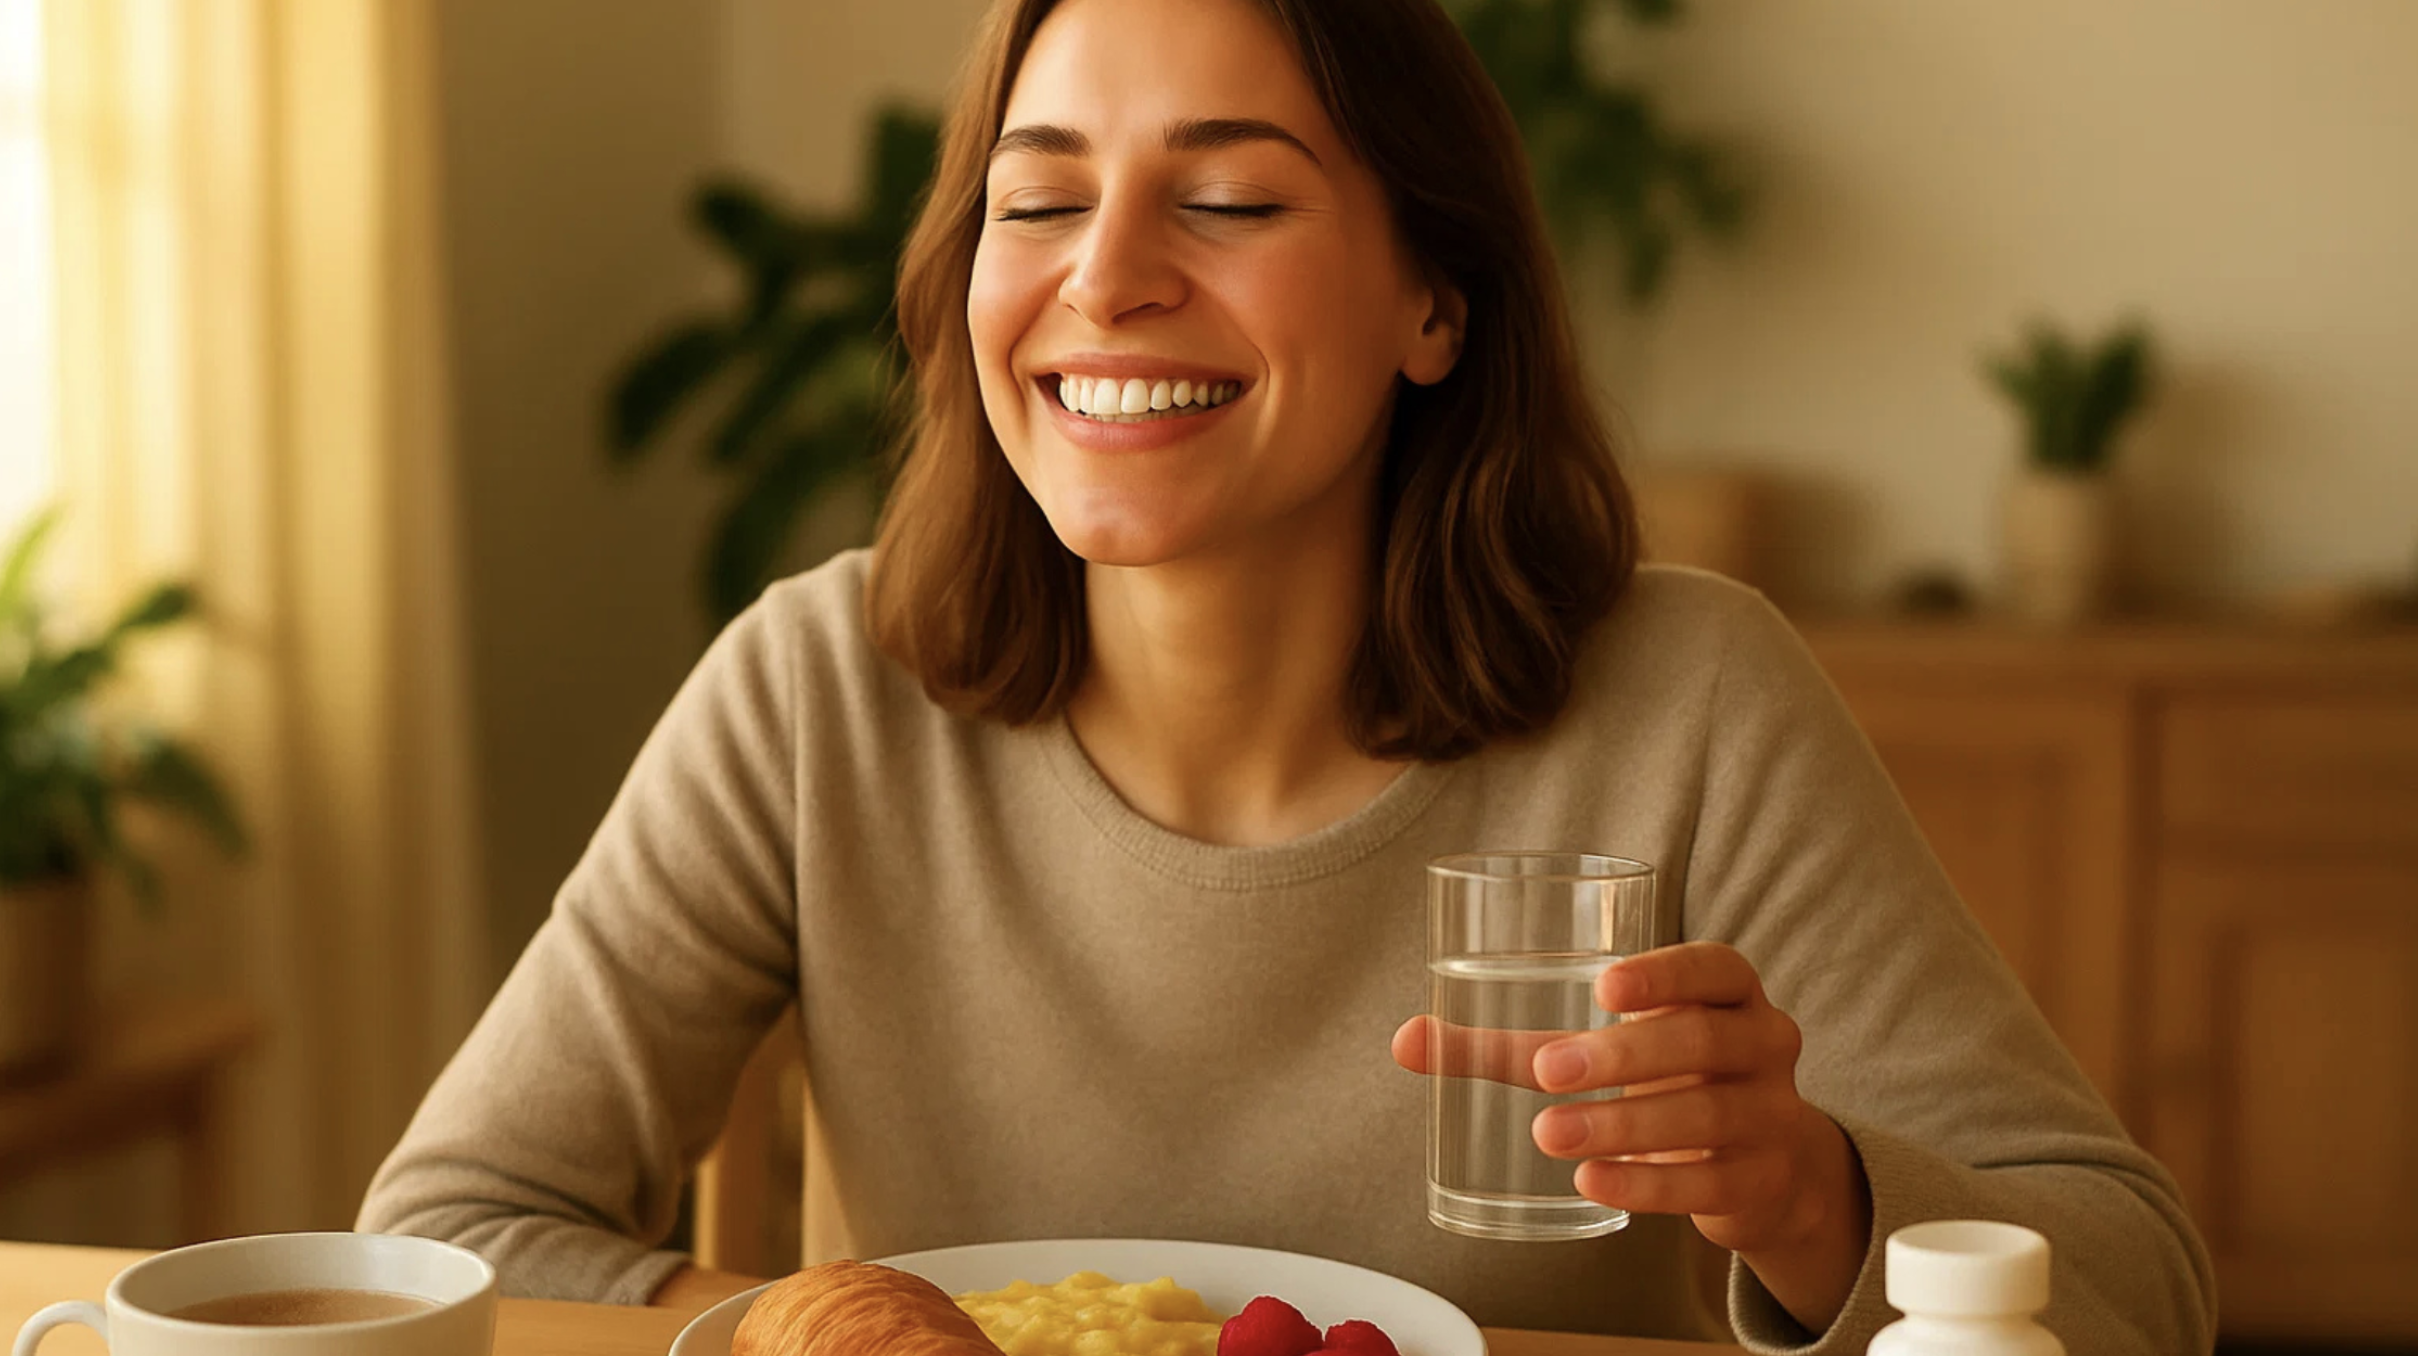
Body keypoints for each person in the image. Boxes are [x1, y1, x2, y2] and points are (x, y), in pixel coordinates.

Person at [359, 0, 2217, 1348]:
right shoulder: (809, 698)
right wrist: (845, 1329)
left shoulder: (1688, 701)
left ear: (1434, 302)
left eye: (1229, 201)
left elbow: (2131, 1279)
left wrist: (1811, 1194)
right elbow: (450, 1228)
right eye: (1036, 199)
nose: (1104, 279)